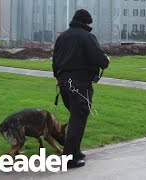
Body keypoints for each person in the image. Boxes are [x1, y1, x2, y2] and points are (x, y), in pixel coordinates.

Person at [52, 9, 110, 168]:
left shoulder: (62, 37)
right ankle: (70, 158)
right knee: (78, 120)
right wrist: (106, 60)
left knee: (76, 117)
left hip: (64, 84)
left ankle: (75, 151)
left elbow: (55, 60)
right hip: (80, 85)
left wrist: (58, 77)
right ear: (86, 22)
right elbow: (101, 60)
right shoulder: (87, 37)